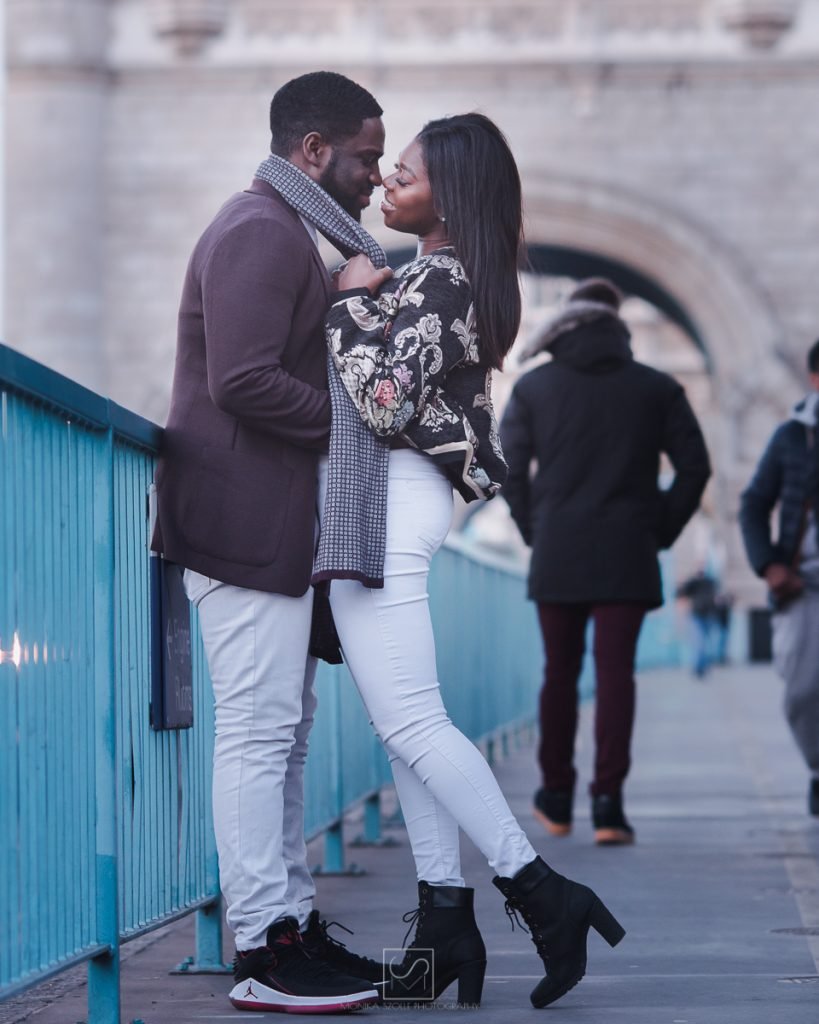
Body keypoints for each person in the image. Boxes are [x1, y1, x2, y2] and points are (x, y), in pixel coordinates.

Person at [315, 113, 626, 1011]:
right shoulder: (449, 277)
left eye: (402, 172)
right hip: (407, 498)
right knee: (405, 727)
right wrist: (375, 296)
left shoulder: (444, 279)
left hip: (396, 501)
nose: (385, 182)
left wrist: (346, 296)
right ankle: (444, 922)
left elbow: (379, 401)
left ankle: (540, 892)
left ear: (451, 191)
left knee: (411, 723)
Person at [152, 71, 392, 1014]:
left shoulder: (292, 234)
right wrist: (366, 427)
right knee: (257, 736)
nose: (376, 176)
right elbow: (244, 382)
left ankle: (286, 921)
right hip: (240, 519)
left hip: (268, 519)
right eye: (367, 156)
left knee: (282, 738)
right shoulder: (259, 231)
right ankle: (263, 950)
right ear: (313, 152)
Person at [500, 279, 711, 845]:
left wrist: (533, 531)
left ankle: (556, 797)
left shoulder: (535, 388)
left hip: (559, 550)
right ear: (619, 326)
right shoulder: (657, 388)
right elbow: (695, 469)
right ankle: (609, 804)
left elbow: (509, 470)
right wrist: (658, 531)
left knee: (559, 675)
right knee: (617, 675)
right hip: (628, 551)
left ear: (565, 324)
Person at [739, 339, 819, 818]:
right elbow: (752, 504)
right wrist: (768, 564)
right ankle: (817, 768)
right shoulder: (792, 435)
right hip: (802, 584)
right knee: (804, 689)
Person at [676, 568, 719, 678]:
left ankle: (701, 666)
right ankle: (699, 667)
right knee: (700, 642)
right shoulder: (698, 583)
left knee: (703, 642)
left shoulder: (709, 582)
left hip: (706, 614)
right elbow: (681, 592)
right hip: (699, 615)